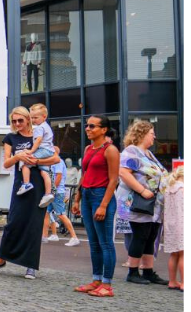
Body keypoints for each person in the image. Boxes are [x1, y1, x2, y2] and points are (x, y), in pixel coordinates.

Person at [0, 107, 60, 280]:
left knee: (34, 225)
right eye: (14, 121)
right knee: (13, 223)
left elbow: (56, 158)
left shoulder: (39, 133)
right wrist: (19, 157)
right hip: (21, 186)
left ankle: (30, 265)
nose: (17, 124)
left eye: (20, 120)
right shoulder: (10, 138)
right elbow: (6, 163)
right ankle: (0, 259)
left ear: (28, 119)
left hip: (39, 186)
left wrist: (36, 160)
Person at [71, 115, 120, 297]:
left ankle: (107, 285)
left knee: (105, 242)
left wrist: (104, 205)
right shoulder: (88, 148)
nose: (88, 129)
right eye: (87, 126)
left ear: (104, 129)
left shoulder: (111, 150)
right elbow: (84, 174)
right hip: (88, 195)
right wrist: (77, 198)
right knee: (93, 243)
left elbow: (114, 179)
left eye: (92, 126)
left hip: (101, 195)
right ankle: (96, 280)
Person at [115, 120, 169, 286]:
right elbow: (123, 172)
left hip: (152, 205)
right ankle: (133, 271)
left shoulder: (147, 153)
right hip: (140, 203)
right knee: (140, 236)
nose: (154, 137)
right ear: (143, 134)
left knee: (150, 237)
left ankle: (147, 271)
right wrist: (142, 190)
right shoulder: (132, 151)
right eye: (152, 133)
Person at [41, 147, 81, 246]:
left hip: (56, 192)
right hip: (54, 192)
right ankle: (45, 236)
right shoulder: (54, 161)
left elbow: (58, 176)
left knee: (60, 214)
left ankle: (74, 237)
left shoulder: (57, 161)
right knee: (46, 213)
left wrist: (51, 191)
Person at [17, 103, 54, 208]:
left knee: (24, 162)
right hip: (49, 151)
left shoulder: (39, 128)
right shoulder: (47, 126)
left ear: (44, 117)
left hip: (42, 150)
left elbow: (38, 140)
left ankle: (26, 183)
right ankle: (48, 193)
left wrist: (31, 151)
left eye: (35, 118)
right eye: (31, 118)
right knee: (44, 171)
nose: (33, 120)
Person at [162, 166, 184, 291]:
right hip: (182, 223)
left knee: (174, 254)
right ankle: (185, 282)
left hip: (171, 225)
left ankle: (172, 281)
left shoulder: (169, 189)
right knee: (184, 254)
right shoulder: (183, 189)